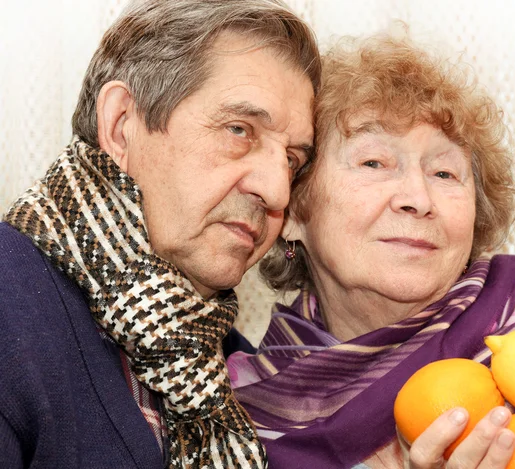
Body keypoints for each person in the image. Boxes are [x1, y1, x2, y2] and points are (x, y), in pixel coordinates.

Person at [227, 33, 515, 469]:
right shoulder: (235, 410)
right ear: (292, 209)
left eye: (444, 172)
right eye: (374, 163)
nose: (418, 198)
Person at [0, 0, 320, 468]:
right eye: (239, 130)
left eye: (292, 160)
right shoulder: (9, 302)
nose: (276, 190)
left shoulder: (232, 373)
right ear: (121, 125)